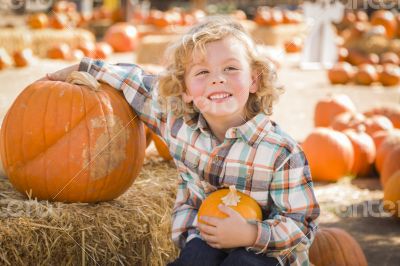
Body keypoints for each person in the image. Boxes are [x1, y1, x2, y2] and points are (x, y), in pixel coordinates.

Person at [44, 16, 320, 266]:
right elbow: (136, 82)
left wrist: (250, 233)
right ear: (185, 90)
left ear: (254, 81)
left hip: (265, 253)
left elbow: (302, 225)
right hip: (205, 243)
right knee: (197, 257)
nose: (217, 80)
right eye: (202, 73)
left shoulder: (280, 152)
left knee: (243, 262)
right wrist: (85, 67)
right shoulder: (178, 125)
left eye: (231, 68)